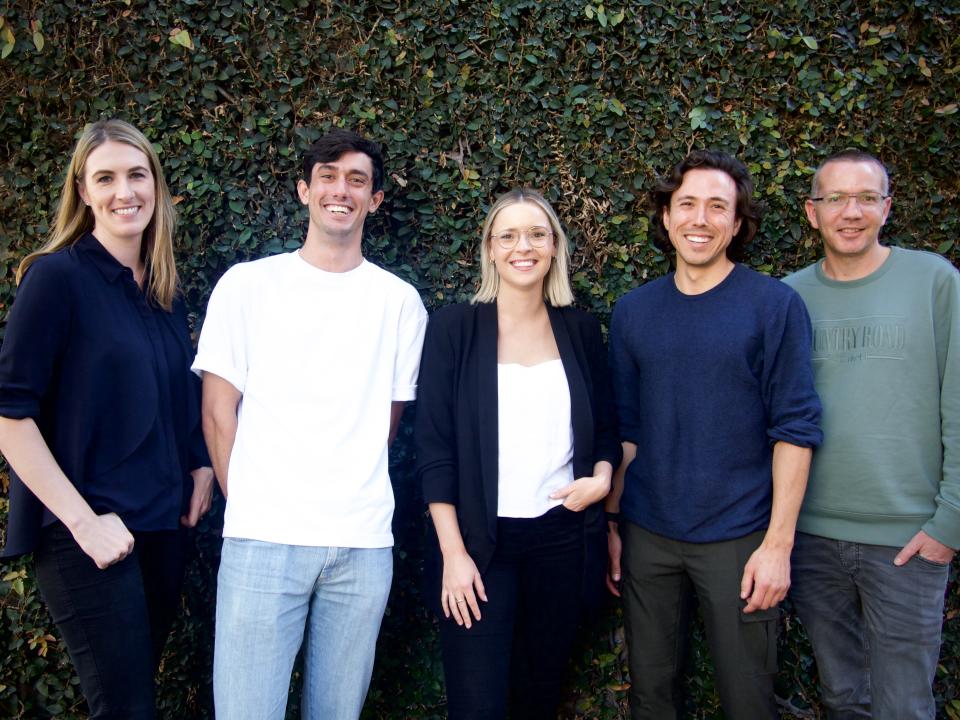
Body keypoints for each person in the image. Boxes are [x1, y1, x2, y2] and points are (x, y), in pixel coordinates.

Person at [193, 128, 427, 720]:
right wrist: (252, 506)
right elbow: (219, 414)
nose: (340, 190)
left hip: (362, 546)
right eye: (328, 175)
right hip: (263, 540)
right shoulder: (247, 286)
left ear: (375, 200)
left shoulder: (399, 302)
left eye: (357, 180)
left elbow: (387, 422)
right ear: (304, 190)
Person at [0, 118, 214, 720]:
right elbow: (10, 416)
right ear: (84, 191)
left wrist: (199, 463)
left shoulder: (163, 294)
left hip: (160, 529)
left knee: (131, 701)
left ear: (157, 186)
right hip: (86, 535)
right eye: (107, 178)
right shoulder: (56, 278)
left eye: (137, 175)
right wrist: (83, 523)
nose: (126, 192)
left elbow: (173, 399)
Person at [605, 150, 823, 719]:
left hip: (740, 538)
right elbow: (626, 431)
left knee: (748, 700)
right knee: (652, 697)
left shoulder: (774, 306)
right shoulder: (633, 312)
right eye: (687, 205)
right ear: (666, 217)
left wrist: (778, 546)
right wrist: (612, 522)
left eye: (717, 206)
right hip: (648, 535)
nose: (700, 219)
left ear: (736, 222)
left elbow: (796, 430)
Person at [414, 188, 622, 720]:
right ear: (489, 249)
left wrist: (601, 477)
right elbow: (435, 449)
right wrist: (454, 556)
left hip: (561, 540)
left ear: (554, 247)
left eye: (536, 234)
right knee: (477, 703)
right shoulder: (455, 329)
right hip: (480, 547)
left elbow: (605, 429)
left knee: (539, 696)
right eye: (507, 235)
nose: (522, 247)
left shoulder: (579, 330)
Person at [783, 149, 959, 719]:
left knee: (904, 704)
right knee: (841, 697)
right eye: (835, 198)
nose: (850, 212)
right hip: (809, 538)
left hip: (908, 540)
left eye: (866, 198)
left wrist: (949, 524)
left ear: (887, 207)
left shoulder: (934, 280)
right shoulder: (787, 298)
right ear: (813, 213)